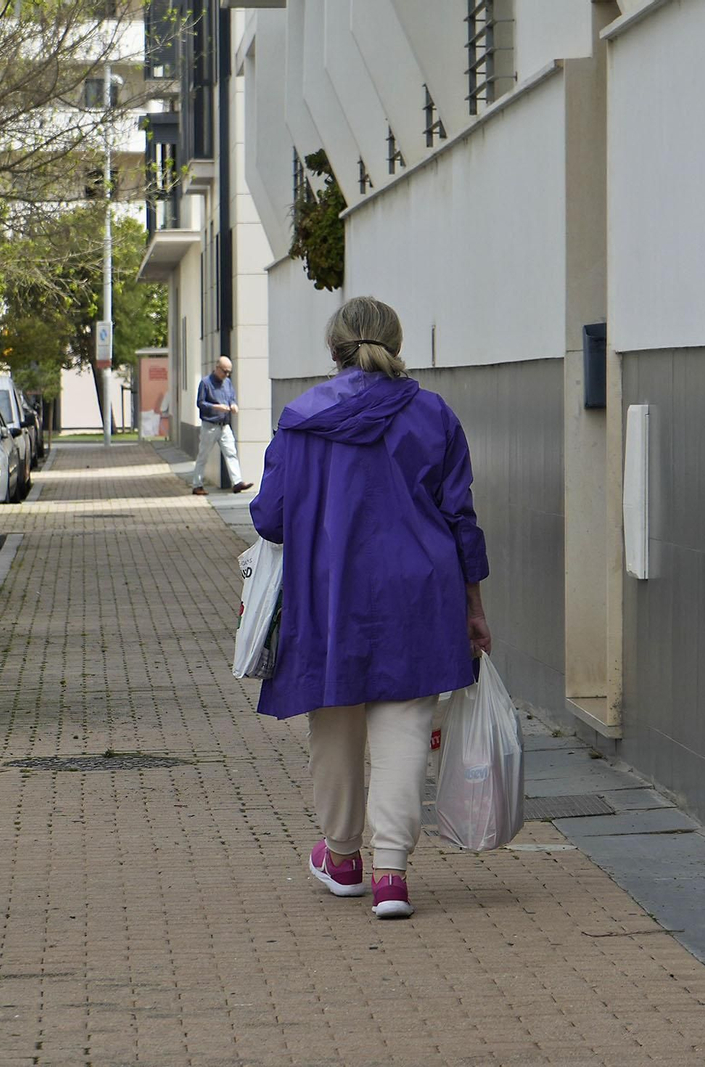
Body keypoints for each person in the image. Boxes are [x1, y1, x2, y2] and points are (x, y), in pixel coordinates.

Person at [249, 295, 492, 920]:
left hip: (328, 594)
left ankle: (342, 857)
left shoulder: (300, 419)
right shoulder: (433, 415)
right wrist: (474, 606)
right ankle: (392, 875)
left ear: (334, 346)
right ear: (396, 340)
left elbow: (270, 519)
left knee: (334, 720)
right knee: (405, 726)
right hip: (420, 595)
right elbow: (460, 516)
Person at [190, 356, 252, 496]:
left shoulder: (227, 383)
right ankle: (197, 485)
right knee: (203, 455)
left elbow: (231, 398)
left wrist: (233, 405)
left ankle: (237, 482)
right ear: (217, 368)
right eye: (224, 371)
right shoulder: (205, 383)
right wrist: (216, 407)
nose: (226, 374)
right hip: (210, 425)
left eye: (229, 372)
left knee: (231, 453)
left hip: (224, 425)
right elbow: (200, 403)